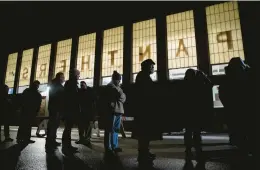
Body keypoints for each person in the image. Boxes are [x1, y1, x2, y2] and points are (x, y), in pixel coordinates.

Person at [132, 59, 161, 168]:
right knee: (144, 134)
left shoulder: (142, 76)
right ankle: (143, 154)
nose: (153, 69)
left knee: (144, 134)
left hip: (143, 111)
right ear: (147, 67)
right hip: (144, 111)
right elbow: (147, 94)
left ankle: (144, 153)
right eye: (152, 67)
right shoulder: (143, 77)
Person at [183, 69, 213, 169]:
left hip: (187, 112)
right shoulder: (197, 84)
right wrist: (203, 76)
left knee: (188, 131)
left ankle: (188, 150)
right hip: (196, 112)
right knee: (196, 132)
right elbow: (210, 85)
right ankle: (198, 151)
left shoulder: (184, 85)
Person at [103, 71, 126, 156]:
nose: (119, 82)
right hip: (112, 111)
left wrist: (121, 95)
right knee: (109, 129)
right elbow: (120, 96)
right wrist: (121, 94)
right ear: (114, 79)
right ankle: (108, 147)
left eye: (120, 80)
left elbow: (123, 98)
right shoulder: (110, 87)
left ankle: (114, 146)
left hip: (118, 110)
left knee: (115, 129)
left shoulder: (117, 87)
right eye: (118, 80)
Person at [61, 69, 80, 155]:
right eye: (78, 74)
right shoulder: (71, 84)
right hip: (70, 109)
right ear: (75, 75)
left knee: (68, 128)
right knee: (68, 128)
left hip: (70, 109)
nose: (79, 76)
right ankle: (66, 146)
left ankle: (67, 145)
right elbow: (71, 98)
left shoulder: (70, 83)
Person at [45, 72, 65, 152]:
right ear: (59, 78)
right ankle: (50, 141)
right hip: (56, 108)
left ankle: (52, 140)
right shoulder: (56, 86)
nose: (64, 78)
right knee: (53, 124)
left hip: (55, 108)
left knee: (54, 125)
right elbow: (58, 97)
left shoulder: (55, 85)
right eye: (62, 77)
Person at [76, 81, 96, 145]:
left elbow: (94, 101)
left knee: (87, 127)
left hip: (88, 112)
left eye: (83, 85)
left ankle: (87, 139)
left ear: (85, 85)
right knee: (81, 127)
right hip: (82, 112)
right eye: (81, 85)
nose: (82, 86)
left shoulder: (90, 91)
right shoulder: (81, 91)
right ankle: (82, 139)